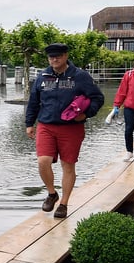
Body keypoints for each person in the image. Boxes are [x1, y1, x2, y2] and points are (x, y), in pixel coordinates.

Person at [25, 43, 104, 219]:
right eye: (51, 57)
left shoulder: (80, 76)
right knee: (43, 161)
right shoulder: (42, 77)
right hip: (46, 125)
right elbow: (33, 101)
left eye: (58, 56)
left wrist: (85, 115)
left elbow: (98, 98)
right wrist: (29, 123)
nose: (54, 59)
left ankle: (64, 204)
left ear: (66, 55)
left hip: (71, 129)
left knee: (68, 166)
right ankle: (52, 193)